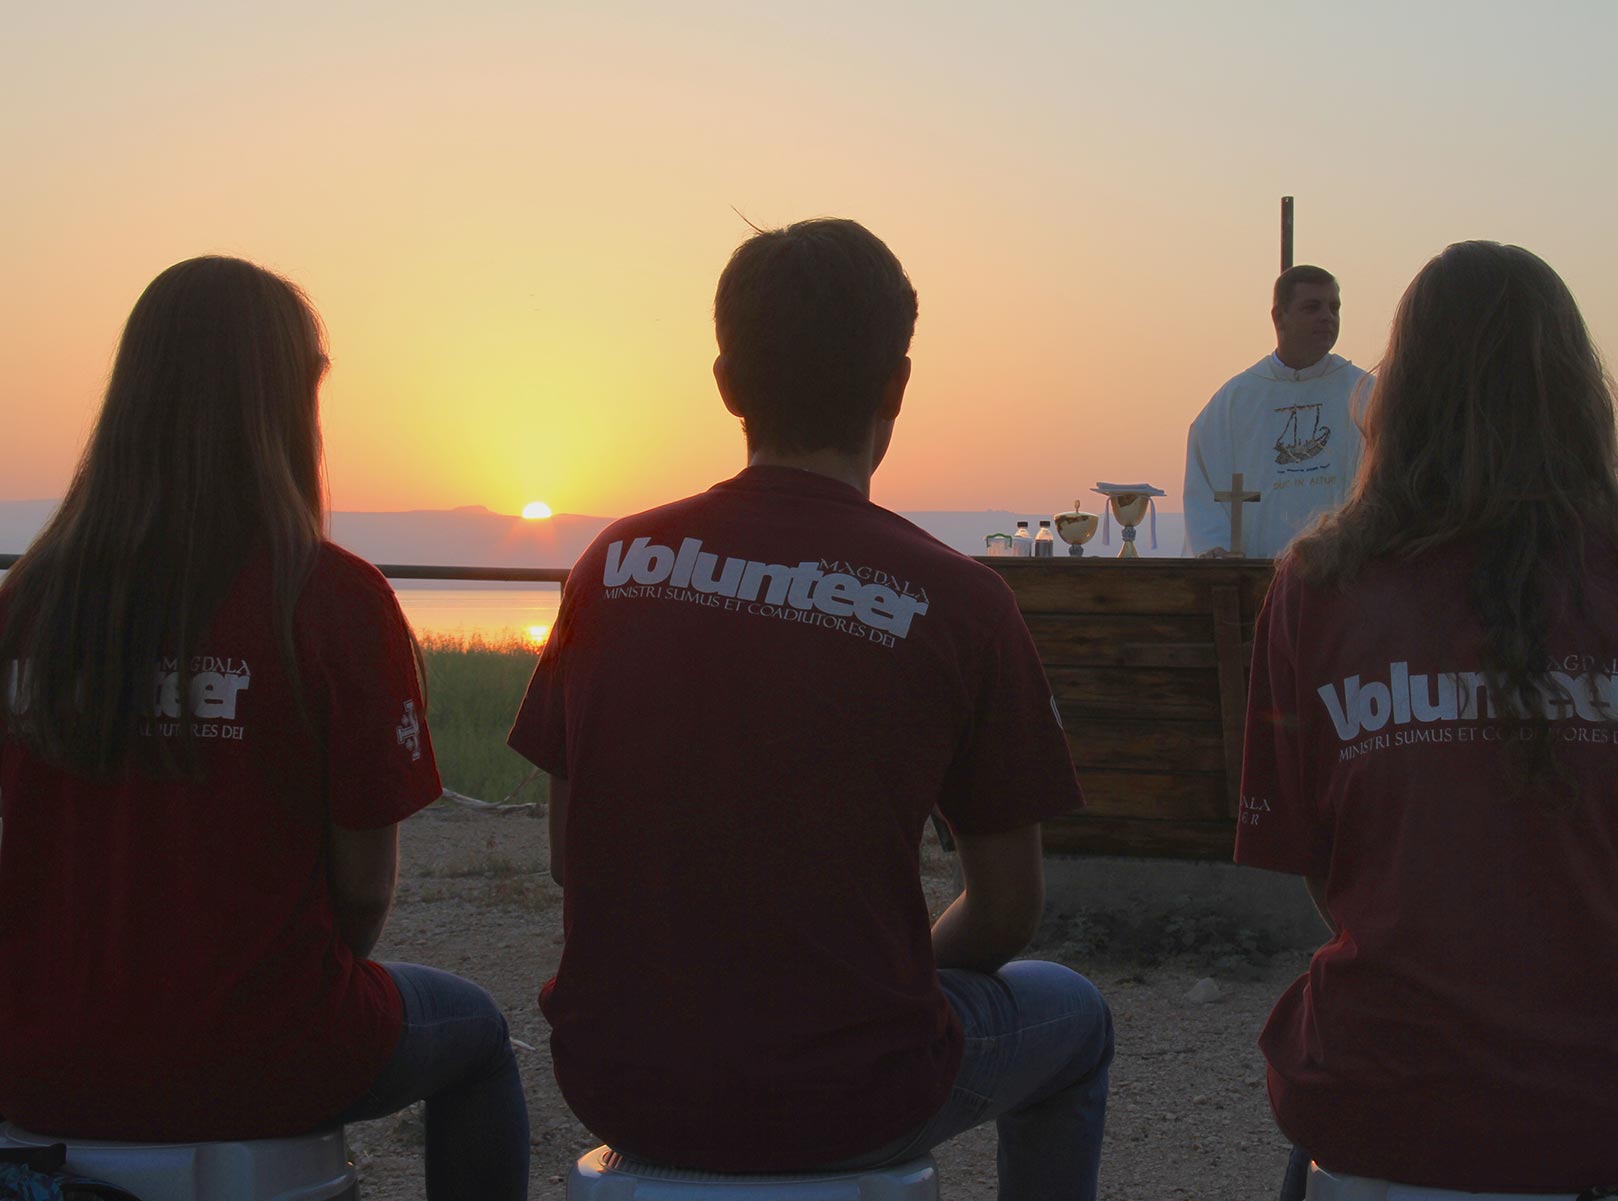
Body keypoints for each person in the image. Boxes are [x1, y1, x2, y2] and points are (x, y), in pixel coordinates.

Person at [508, 218, 1113, 1200]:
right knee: (1076, 1020)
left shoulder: (609, 566)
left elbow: (569, 854)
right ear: (896, 386)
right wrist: (883, 981)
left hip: (619, 1084)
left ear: (727, 383)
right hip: (850, 1097)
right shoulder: (961, 601)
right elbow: (1007, 909)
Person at [0, 257, 528, 1201]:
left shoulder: (29, 600)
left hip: (36, 1058)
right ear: (288, 400)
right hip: (262, 1052)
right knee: (481, 1034)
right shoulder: (330, 599)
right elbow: (363, 891)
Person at [1234, 242, 1618, 1198]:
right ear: (1575, 394)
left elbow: (1324, 859)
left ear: (1399, 395)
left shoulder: (1321, 590)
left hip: (1385, 1097)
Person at [1182, 265, 1368, 558]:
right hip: (1252, 580)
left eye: (1334, 308)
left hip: (1341, 574)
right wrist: (1214, 548)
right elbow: (1202, 489)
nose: (1327, 317)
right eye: (1312, 307)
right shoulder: (1235, 401)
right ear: (1279, 317)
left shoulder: (1365, 395)